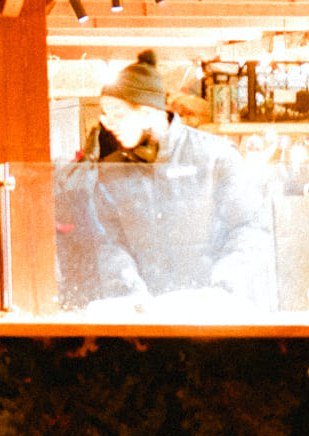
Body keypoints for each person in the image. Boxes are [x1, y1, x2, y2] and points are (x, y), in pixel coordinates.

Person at [71, 50, 270, 305]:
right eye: (105, 116)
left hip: (212, 314)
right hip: (145, 319)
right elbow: (109, 243)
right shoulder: (111, 173)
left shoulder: (214, 157)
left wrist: (223, 290)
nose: (109, 125)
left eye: (117, 114)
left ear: (147, 112)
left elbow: (251, 228)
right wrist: (131, 297)